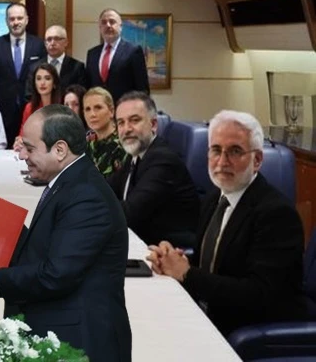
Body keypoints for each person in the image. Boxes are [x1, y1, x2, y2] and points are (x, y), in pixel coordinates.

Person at [0, 104, 131, 362]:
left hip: (80, 343)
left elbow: (57, 274)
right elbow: (40, 252)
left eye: (30, 148)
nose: (22, 155)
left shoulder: (86, 196)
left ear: (60, 150)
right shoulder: (70, 182)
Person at [147, 110, 305, 335]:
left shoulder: (276, 214)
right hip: (206, 314)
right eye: (216, 150)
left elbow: (260, 294)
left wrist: (187, 274)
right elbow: (215, 265)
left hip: (246, 332)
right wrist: (172, 260)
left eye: (235, 151)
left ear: (257, 160)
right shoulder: (215, 198)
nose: (222, 162)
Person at [108, 91, 199, 248]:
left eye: (134, 120)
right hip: (142, 239)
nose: (126, 129)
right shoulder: (136, 152)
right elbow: (107, 187)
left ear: (154, 124)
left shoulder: (163, 160)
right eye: (121, 123)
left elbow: (128, 213)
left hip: (169, 249)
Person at [0, 3, 46, 147]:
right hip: (3, 110)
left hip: (32, 109)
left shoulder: (38, 45)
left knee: (32, 149)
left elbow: (43, 76)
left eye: (19, 18)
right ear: (6, 21)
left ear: (27, 20)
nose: (16, 22)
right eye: (12, 19)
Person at [85, 8, 149, 104]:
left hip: (125, 109)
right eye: (104, 22)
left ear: (121, 26)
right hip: (98, 109)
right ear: (100, 28)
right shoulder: (92, 54)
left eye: (112, 22)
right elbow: (89, 87)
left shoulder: (133, 51)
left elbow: (142, 89)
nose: (108, 25)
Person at [83, 87, 126, 177]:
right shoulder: (85, 141)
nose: (92, 114)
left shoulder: (123, 144)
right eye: (87, 109)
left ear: (111, 111)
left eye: (98, 108)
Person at [38, 25, 87, 91]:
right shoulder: (35, 67)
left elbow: (81, 92)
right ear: (45, 43)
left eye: (57, 39)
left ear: (66, 42)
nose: (52, 43)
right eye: (49, 39)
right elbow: (29, 93)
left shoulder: (77, 67)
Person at [19, 63, 62, 136]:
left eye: (47, 78)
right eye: (38, 79)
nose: (42, 83)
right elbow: (23, 133)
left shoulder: (62, 107)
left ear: (54, 83)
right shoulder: (29, 108)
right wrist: (19, 140)